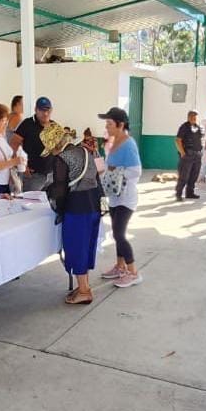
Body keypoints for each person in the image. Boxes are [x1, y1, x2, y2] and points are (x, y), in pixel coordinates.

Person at [43, 122, 102, 304]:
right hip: (94, 204)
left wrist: (54, 202)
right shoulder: (84, 151)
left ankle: (84, 291)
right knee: (86, 246)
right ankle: (84, 285)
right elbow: (96, 179)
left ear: (56, 144)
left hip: (77, 208)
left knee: (76, 248)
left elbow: (60, 191)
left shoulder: (62, 159)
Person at [99, 107, 144, 288]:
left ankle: (133, 272)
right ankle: (120, 266)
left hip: (126, 197)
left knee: (119, 234)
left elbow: (136, 171)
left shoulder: (128, 144)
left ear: (120, 125)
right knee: (117, 234)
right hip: (115, 196)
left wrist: (116, 171)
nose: (107, 127)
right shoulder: (113, 141)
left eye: (110, 124)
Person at [13, 96, 55, 192]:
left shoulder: (54, 126)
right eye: (42, 110)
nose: (45, 113)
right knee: (31, 202)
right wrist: (22, 165)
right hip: (33, 175)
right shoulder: (27, 124)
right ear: (36, 110)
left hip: (51, 174)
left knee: (49, 204)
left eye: (48, 110)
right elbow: (14, 144)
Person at [173, 110, 203, 200]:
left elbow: (202, 140)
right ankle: (178, 194)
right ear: (188, 117)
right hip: (187, 155)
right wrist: (182, 152)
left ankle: (190, 193)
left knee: (194, 175)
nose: (194, 118)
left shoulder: (198, 127)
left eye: (195, 116)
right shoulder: (184, 127)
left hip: (197, 155)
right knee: (184, 176)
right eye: (192, 116)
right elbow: (178, 140)